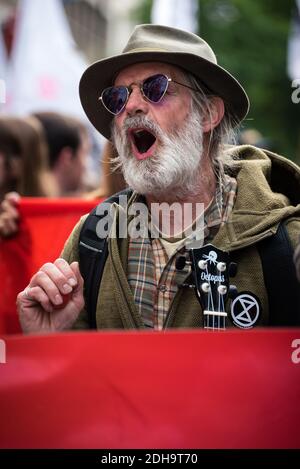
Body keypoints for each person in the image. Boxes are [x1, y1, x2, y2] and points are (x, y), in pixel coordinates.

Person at [17, 24, 300, 333]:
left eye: (155, 88)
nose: (132, 106)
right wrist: (50, 337)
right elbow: (78, 375)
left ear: (208, 114)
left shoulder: (283, 241)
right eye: (118, 97)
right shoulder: (93, 237)